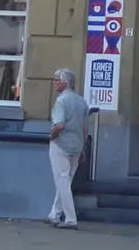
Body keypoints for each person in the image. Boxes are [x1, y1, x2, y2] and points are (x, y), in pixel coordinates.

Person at [47, 67, 88, 229]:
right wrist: (83, 148)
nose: (54, 83)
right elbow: (86, 129)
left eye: (56, 80)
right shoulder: (81, 101)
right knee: (66, 180)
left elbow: (59, 125)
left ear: (64, 83)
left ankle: (71, 219)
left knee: (62, 181)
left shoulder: (61, 101)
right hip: (77, 146)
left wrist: (51, 136)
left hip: (61, 145)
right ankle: (54, 215)